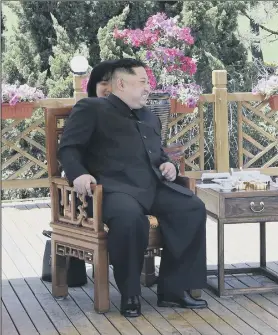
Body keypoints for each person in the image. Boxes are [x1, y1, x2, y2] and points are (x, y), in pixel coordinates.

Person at [58, 58, 208, 317]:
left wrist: (168, 165)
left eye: (147, 82)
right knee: (130, 220)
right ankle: (130, 294)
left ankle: (173, 290)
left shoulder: (149, 115)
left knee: (192, 207)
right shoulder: (91, 108)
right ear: (120, 84)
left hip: (152, 186)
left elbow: (156, 153)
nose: (147, 88)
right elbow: (68, 149)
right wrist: (78, 174)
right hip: (113, 190)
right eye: (141, 82)